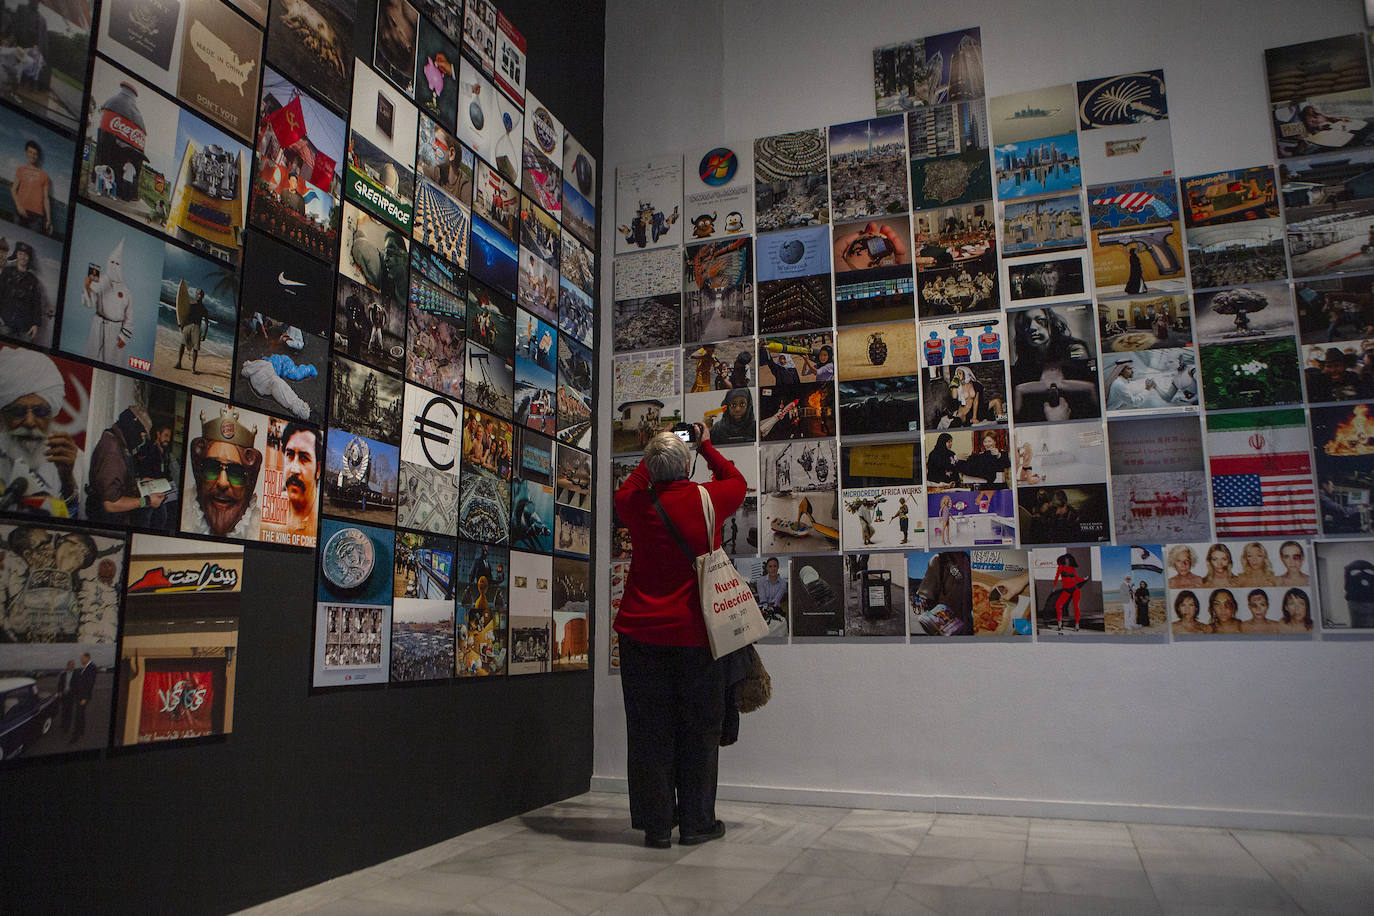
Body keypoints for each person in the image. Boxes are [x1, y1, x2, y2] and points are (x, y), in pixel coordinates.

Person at [613, 425, 746, 849]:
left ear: (651, 468)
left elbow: (632, 485)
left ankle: (656, 826)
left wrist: (655, 447)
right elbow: (737, 481)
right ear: (688, 463)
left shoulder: (634, 503)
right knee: (700, 730)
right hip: (696, 634)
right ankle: (695, 822)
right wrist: (704, 444)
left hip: (640, 633)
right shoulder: (709, 499)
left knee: (649, 731)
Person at [0, 346, 82, 517]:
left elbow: (63, 515)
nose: (30, 422)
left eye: (40, 411)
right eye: (18, 411)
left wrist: (67, 480)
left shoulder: (72, 459)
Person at [183, 407, 262, 538]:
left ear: (249, 482)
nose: (222, 482)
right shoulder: (183, 510)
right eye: (212, 468)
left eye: (235, 473)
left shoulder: (259, 527)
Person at [86, 406, 162, 526]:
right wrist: (147, 501)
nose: (141, 440)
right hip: (106, 520)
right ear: (133, 425)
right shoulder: (113, 449)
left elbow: (120, 477)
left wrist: (140, 481)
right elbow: (110, 504)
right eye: (142, 435)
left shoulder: (118, 441)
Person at [914, 550, 973, 635]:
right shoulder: (940, 560)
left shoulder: (970, 562)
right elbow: (927, 597)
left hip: (967, 628)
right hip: (944, 629)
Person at [279, 423, 320, 540]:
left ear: (319, 469)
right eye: (290, 455)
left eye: (304, 458)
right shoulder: (267, 512)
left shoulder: (317, 522)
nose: (294, 469)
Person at [0, 240, 44, 341]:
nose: (23, 257)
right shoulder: (7, 272)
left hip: (24, 327)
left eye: (26, 255)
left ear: (29, 258)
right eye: (20, 253)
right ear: (16, 255)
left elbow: (36, 303)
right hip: (5, 322)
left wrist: (35, 324)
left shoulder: (33, 280)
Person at [11, 139, 52, 234]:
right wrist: (18, 206)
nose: (32, 156)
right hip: (20, 212)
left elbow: (46, 198)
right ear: (26, 152)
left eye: (35, 154)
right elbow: (13, 189)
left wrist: (49, 219)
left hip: (37, 217)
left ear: (38, 156)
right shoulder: (20, 170)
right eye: (30, 152)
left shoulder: (44, 176)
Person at [175, 288, 210, 374]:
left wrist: (204, 334)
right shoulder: (190, 303)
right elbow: (184, 314)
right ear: (195, 294)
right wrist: (181, 324)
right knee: (182, 344)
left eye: (201, 294)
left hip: (197, 327)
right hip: (188, 325)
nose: (199, 296)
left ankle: (193, 368)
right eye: (198, 294)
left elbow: (206, 322)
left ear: (203, 296)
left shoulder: (203, 308)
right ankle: (179, 363)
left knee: (195, 348)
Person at [71, 651, 96, 744]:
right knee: (81, 714)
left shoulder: (91, 668)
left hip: (83, 697)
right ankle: (81, 731)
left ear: (87, 658)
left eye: (82, 658)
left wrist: (84, 698)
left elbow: (90, 684)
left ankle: (76, 736)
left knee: (78, 715)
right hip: (80, 696)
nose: (81, 660)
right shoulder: (86, 667)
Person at [56, 659, 75, 734]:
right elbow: (60, 684)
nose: (72, 666)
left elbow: (78, 685)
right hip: (63, 695)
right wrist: (59, 692)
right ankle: (63, 724)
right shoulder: (63, 674)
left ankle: (67, 727)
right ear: (67, 665)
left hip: (71, 696)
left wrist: (72, 690)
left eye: (73, 665)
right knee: (63, 710)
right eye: (71, 665)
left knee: (69, 712)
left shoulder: (76, 674)